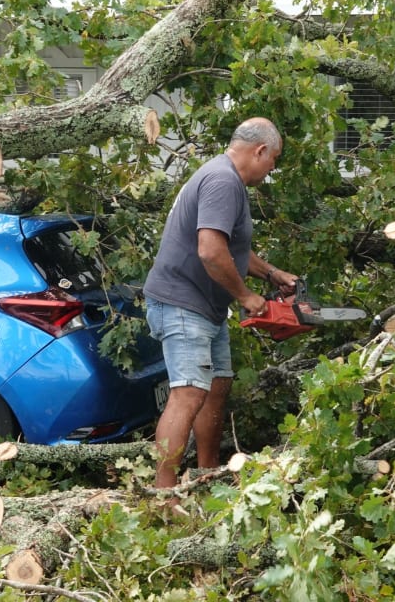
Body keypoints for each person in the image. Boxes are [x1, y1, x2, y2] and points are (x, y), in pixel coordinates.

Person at [143, 117, 298, 505]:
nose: (272, 169)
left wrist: (272, 273)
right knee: (188, 393)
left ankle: (206, 472)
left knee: (216, 387)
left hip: (206, 306)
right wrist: (247, 297)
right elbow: (210, 251)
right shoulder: (223, 181)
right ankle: (165, 494)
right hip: (182, 301)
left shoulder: (223, 178)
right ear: (260, 151)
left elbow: (231, 251)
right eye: (273, 160)